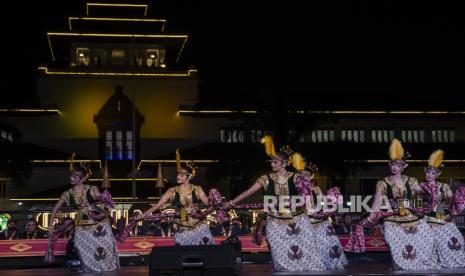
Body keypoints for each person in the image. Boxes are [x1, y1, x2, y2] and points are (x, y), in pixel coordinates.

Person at [226, 136, 325, 271]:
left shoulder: (296, 177)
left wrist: (296, 202)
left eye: (275, 163)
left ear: (284, 163)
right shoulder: (265, 178)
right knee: (279, 250)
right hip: (275, 219)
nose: (272, 165)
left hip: (295, 219)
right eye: (271, 162)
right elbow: (249, 192)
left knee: (304, 249)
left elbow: (306, 197)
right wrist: (232, 202)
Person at [368, 139, 439, 270]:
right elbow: (376, 201)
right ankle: (399, 265)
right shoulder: (382, 182)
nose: (395, 167)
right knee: (393, 240)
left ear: (403, 167)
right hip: (392, 217)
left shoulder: (412, 180)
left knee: (428, 236)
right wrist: (371, 217)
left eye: (398, 165)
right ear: (389, 165)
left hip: (410, 216)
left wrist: (429, 190)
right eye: (393, 164)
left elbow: (421, 193)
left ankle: (417, 262)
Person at [48, 166, 119, 272]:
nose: (71, 178)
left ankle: (105, 269)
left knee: (104, 247)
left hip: (99, 223)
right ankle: (90, 269)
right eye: (72, 176)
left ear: (82, 178)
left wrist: (104, 198)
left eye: (75, 177)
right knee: (80, 246)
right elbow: (55, 209)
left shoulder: (92, 188)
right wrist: (50, 227)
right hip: (81, 223)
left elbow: (102, 201)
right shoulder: (67, 193)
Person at [138, 150, 214, 245]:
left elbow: (209, 206)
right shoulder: (172, 190)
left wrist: (213, 203)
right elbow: (157, 206)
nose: (178, 176)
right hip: (182, 228)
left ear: (189, 177)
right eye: (178, 174)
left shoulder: (197, 189)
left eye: (181, 175)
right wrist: (142, 215)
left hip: (198, 227)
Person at [292, 153, 348, 269]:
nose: (304, 178)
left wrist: (334, 198)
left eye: (307, 176)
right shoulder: (297, 190)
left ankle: (328, 263)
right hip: (304, 221)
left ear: (311, 177)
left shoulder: (316, 189)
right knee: (306, 245)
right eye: (302, 176)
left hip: (319, 221)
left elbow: (323, 200)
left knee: (326, 244)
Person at [421, 149, 465, 268]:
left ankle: (454, 259)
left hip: (441, 212)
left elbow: (450, 198)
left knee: (454, 236)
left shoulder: (443, 186)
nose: (429, 175)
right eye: (428, 173)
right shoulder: (422, 186)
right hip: (428, 215)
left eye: (433, 173)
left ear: (437, 175)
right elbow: (415, 200)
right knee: (434, 236)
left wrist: (456, 191)